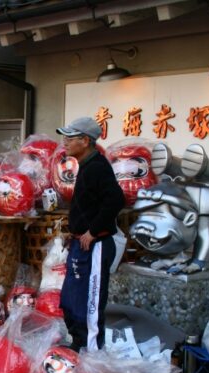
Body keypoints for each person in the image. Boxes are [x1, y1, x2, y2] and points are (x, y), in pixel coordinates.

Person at [57, 117, 125, 351]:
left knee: (90, 302)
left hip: (96, 245)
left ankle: (91, 352)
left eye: (70, 138)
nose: (65, 142)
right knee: (71, 299)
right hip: (81, 244)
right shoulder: (86, 166)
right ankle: (78, 344)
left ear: (85, 141)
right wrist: (76, 232)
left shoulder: (98, 166)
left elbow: (116, 200)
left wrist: (93, 231)